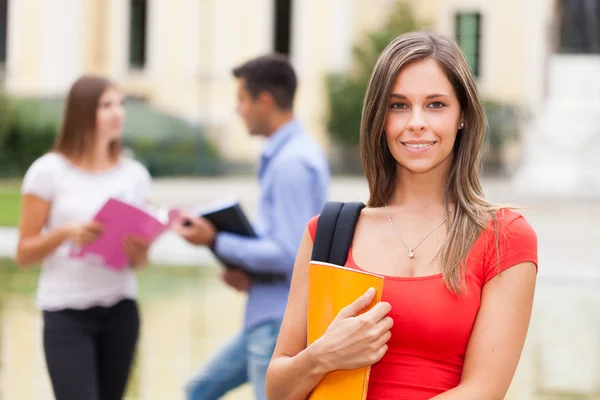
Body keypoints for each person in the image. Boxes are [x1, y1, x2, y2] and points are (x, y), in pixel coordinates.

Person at [265, 31, 538, 400]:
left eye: (436, 104)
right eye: (398, 105)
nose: (417, 122)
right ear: (379, 118)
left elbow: (483, 391)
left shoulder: (504, 237)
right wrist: (323, 355)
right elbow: (277, 391)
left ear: (462, 116)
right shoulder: (327, 232)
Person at [175, 54, 330, 400]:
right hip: (266, 311)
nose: (237, 110)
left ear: (265, 101)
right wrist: (245, 269)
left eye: (241, 100)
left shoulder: (292, 163)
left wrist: (216, 240)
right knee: (198, 390)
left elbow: (291, 254)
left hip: (278, 322)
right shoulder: (289, 154)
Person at [16, 75, 153, 400]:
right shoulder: (48, 171)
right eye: (107, 105)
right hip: (66, 313)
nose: (118, 113)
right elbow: (23, 253)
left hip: (121, 311)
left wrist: (138, 251)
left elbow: (141, 261)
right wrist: (65, 233)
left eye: (120, 105)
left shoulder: (135, 175)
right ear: (82, 111)